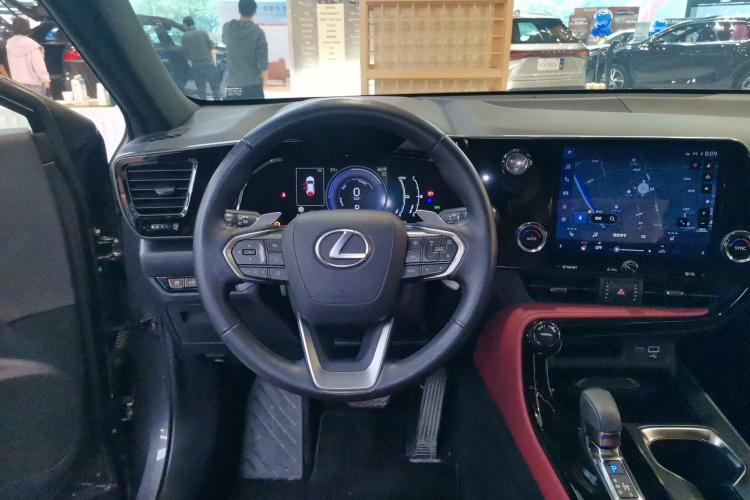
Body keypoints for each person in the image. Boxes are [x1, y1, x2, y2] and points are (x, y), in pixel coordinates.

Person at [222, 0, 268, 100]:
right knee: (256, 109)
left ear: (239, 10)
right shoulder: (258, 32)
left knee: (234, 109)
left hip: (232, 84)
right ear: (255, 12)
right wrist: (265, 81)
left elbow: (224, 41)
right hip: (252, 84)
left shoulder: (227, 28)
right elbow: (263, 59)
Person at [6, 17, 50, 96]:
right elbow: (39, 65)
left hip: (17, 84)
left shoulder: (9, 44)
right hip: (34, 85)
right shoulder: (32, 45)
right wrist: (46, 80)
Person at [181, 16, 221, 101]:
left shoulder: (184, 37)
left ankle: (204, 104)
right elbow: (211, 48)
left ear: (185, 25)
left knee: (201, 89)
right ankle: (218, 103)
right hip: (209, 64)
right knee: (215, 87)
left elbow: (187, 55)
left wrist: (192, 66)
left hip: (197, 66)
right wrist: (214, 62)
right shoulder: (203, 32)